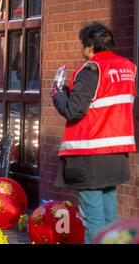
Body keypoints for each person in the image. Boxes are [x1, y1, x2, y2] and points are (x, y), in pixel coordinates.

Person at [51, 22, 136, 243]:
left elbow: (73, 110)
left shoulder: (91, 69)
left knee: (93, 219)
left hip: (89, 155)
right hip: (116, 155)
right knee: (110, 216)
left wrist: (57, 92)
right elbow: (99, 102)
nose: (82, 51)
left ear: (90, 46)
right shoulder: (128, 68)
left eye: (83, 46)